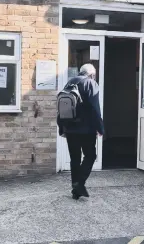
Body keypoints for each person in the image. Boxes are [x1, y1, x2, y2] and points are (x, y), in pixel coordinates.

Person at [57, 63, 104, 200]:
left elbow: (61, 108)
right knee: (90, 156)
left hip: (70, 129)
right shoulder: (91, 83)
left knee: (75, 159)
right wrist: (100, 127)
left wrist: (62, 128)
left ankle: (75, 190)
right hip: (86, 129)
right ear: (92, 74)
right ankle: (79, 183)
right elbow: (95, 108)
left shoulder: (70, 83)